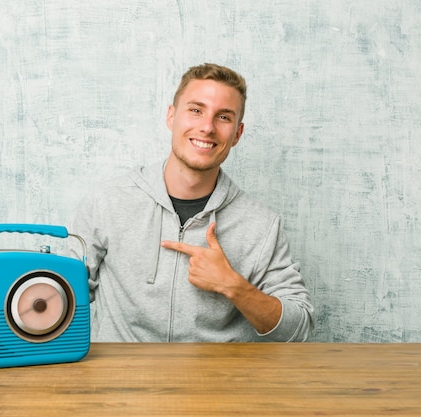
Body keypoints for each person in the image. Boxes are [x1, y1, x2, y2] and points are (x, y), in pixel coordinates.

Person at [68, 63, 314, 342]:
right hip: (123, 381)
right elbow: (60, 295)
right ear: (171, 116)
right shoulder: (107, 202)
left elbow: (298, 330)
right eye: (196, 110)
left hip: (216, 383)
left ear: (237, 134)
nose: (207, 127)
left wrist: (234, 286)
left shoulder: (261, 225)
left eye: (223, 117)